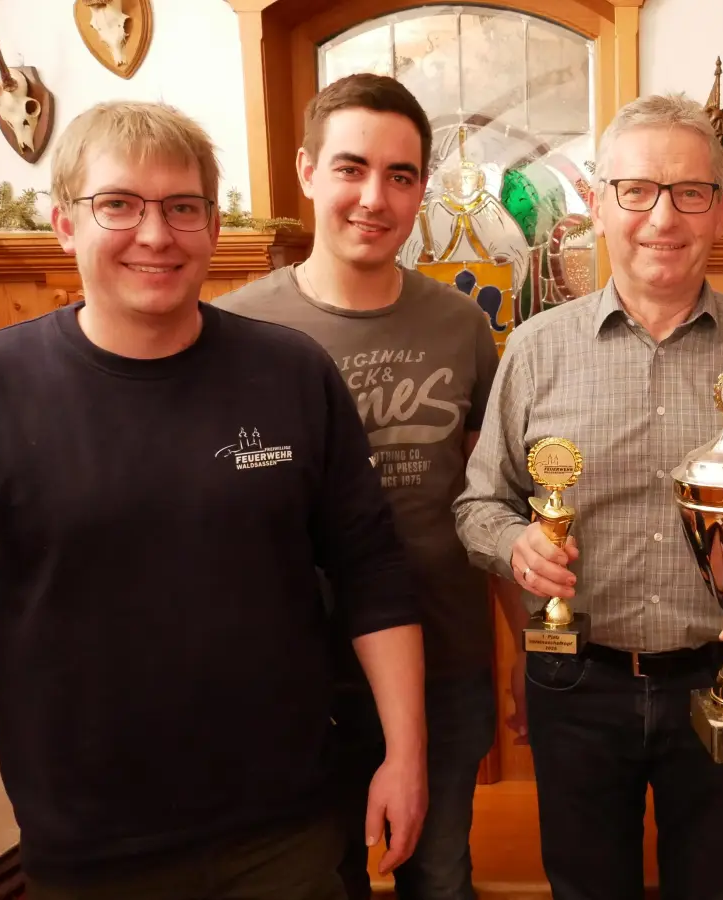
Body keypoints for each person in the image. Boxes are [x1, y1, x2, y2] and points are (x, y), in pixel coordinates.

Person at [0, 100, 426, 900]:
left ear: (211, 223)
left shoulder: (292, 373)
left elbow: (373, 571)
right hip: (85, 850)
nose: (155, 235)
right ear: (64, 224)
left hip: (288, 833)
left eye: (182, 207)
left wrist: (405, 754)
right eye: (118, 205)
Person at [452, 93, 723, 900]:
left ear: (721, 211)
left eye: (689, 191)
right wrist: (514, 545)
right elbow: (479, 504)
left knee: (715, 887)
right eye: (637, 190)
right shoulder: (534, 351)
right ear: (599, 204)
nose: (662, 217)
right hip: (577, 683)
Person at [215, 73, 512, 900]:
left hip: (445, 663)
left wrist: (526, 650)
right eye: (351, 168)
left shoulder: (461, 325)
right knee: (315, 881)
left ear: (421, 189)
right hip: (291, 674)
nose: (374, 197)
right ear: (308, 171)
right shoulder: (237, 331)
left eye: (401, 175)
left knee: (440, 875)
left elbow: (496, 502)